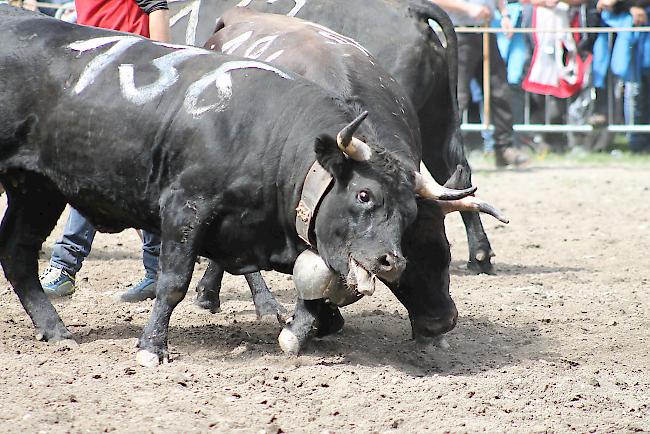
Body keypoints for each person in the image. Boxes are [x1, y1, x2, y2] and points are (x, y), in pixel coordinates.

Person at [40, 0, 170, 301]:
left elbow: (158, 8)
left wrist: (162, 74)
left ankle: (64, 265)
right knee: (136, 179)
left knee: (91, 171)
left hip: (130, 80)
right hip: (96, 79)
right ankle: (156, 270)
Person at [430, 0, 530, 167]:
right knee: (456, 96)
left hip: (485, 31)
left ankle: (504, 149)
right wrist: (468, 8)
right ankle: (446, 153)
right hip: (457, 32)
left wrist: (504, 14)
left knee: (500, 92)